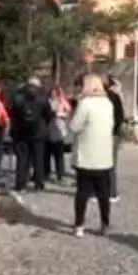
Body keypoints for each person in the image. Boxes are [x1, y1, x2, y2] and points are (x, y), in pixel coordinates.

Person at [69, 74, 116, 237]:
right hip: (104, 157)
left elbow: (74, 127)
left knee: (82, 192)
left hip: (86, 156)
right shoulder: (108, 103)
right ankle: (105, 223)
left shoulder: (85, 104)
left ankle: (79, 225)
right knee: (103, 193)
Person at [10, 77, 52, 193]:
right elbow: (48, 114)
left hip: (21, 132)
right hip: (39, 131)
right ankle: (39, 183)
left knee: (22, 159)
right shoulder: (43, 97)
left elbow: (12, 113)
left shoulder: (18, 96)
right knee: (38, 158)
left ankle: (20, 183)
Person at [104, 77, 127, 203]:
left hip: (108, 134)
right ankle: (112, 193)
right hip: (113, 134)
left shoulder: (109, 97)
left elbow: (120, 117)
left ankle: (109, 192)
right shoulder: (116, 97)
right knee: (111, 165)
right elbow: (121, 116)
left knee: (104, 165)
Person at [44, 85, 72, 183]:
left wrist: (61, 115)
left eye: (55, 92)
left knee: (59, 154)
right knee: (46, 154)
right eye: (52, 92)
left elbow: (68, 112)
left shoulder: (62, 101)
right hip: (48, 129)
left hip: (59, 129)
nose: (53, 94)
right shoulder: (47, 101)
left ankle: (60, 174)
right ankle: (46, 173)